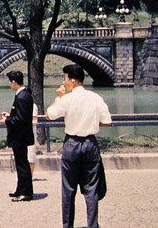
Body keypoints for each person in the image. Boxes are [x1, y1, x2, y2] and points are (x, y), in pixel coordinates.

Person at [45, 64, 112, 228]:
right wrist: (90, 124)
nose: (63, 82)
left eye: (64, 78)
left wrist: (59, 97)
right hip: (90, 143)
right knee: (91, 188)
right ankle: (92, 224)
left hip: (72, 144)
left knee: (68, 189)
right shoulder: (95, 98)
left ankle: (68, 225)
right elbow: (107, 121)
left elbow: (49, 115)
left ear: (73, 81)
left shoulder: (67, 99)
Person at [0, 70, 34, 202]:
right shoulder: (24, 95)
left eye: (9, 81)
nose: (9, 84)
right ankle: (21, 189)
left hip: (20, 136)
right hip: (21, 136)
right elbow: (20, 116)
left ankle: (26, 193)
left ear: (14, 82)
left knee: (22, 165)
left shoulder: (22, 96)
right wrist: (10, 115)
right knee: (21, 164)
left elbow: (22, 119)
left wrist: (6, 121)